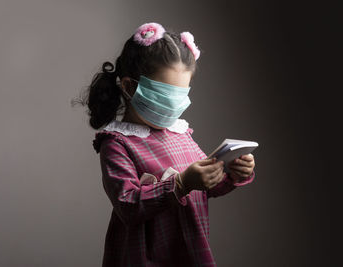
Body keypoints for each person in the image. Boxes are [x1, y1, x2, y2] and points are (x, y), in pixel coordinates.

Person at [82, 22, 256, 267]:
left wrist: (232, 173)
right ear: (130, 87)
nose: (174, 105)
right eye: (166, 95)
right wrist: (182, 183)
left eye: (181, 95)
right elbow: (127, 205)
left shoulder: (180, 133)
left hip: (189, 253)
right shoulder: (117, 143)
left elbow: (205, 184)